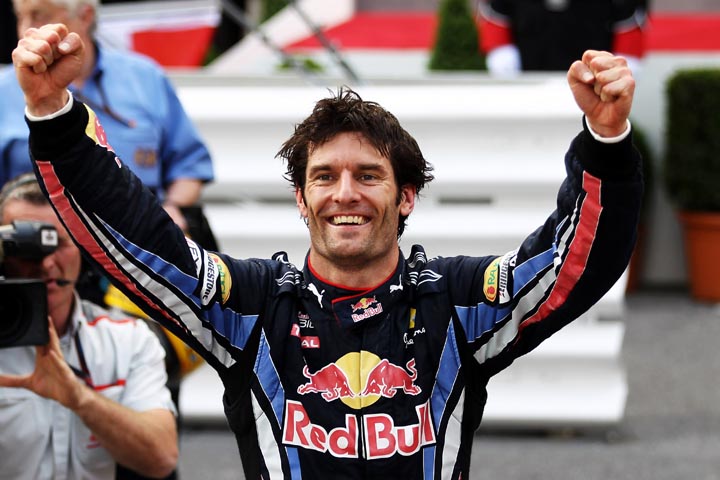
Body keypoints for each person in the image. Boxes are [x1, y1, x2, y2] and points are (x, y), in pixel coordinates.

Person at [14, 23, 642, 478]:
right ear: (301, 199)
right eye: (324, 177)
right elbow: (139, 239)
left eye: (369, 176)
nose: (345, 194)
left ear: (406, 197)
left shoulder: (454, 302)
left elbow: (572, 265)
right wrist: (54, 116)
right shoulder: (252, 305)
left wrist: (606, 141)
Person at [0, 173, 179, 479]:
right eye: (26, 248)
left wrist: (79, 398)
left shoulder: (127, 339)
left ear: (83, 248)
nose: (46, 264)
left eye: (58, 243)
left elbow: (161, 458)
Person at [0, 0, 215, 234]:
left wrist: (172, 209)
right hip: (42, 241)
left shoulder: (145, 77)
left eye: (39, 16)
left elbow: (189, 164)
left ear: (85, 16)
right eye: (19, 17)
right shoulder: (4, 89)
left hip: (138, 235)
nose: (26, 30)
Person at [477, 0, 648, 76]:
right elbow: (496, 13)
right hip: (528, 68)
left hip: (592, 74)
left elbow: (628, 19)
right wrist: (500, 50)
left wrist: (624, 61)